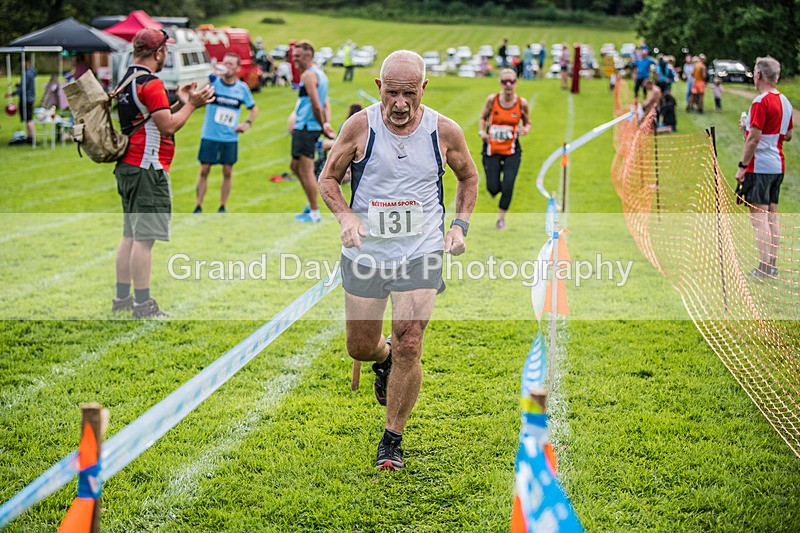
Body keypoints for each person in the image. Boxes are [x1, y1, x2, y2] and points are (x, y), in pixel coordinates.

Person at [317, 50, 478, 470]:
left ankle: (392, 438)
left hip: (420, 251)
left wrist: (459, 226)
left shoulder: (444, 131)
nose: (401, 103)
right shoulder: (360, 127)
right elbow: (328, 178)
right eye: (392, 93)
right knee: (361, 345)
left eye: (410, 93)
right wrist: (347, 218)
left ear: (424, 88)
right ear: (379, 88)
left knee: (410, 339)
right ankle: (382, 360)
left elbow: (468, 176)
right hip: (367, 254)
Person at [112, 28, 214, 318]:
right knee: (145, 239)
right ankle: (143, 305)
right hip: (148, 168)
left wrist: (181, 101)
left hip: (128, 166)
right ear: (158, 53)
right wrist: (193, 105)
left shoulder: (128, 79)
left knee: (130, 235)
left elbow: (153, 116)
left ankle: (122, 299)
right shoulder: (152, 82)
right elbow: (167, 126)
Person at [735, 56, 793, 279]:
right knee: (771, 216)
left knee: (758, 217)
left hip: (760, 166)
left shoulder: (760, 101)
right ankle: (772, 264)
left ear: (758, 75)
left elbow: (754, 138)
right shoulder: (785, 101)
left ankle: (763, 267)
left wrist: (742, 166)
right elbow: (787, 134)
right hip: (777, 165)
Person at [193, 53, 258, 214]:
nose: (227, 67)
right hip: (210, 135)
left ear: (237, 68)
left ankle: (222, 206)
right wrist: (210, 77)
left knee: (227, 171)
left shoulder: (242, 88)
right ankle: (198, 205)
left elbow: (254, 108)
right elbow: (196, 97)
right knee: (204, 170)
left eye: (231, 64)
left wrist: (246, 124)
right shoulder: (214, 83)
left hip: (229, 137)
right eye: (225, 63)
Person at [478, 69, 531, 230]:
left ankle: (501, 219)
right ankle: (496, 179)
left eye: (511, 81)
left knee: (508, 184)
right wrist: (482, 131)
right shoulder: (492, 100)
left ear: (516, 83)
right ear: (500, 83)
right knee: (493, 187)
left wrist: (526, 129)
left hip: (512, 150)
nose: (508, 85)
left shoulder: (522, 103)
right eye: (505, 81)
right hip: (492, 149)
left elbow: (528, 122)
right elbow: (483, 117)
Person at [290, 40, 336, 222]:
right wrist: (326, 123)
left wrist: (323, 125)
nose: (294, 59)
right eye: (293, 56)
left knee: (306, 170)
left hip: (306, 127)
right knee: (294, 167)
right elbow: (325, 103)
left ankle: (315, 212)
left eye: (297, 56)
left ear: (308, 56)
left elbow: (317, 105)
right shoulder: (320, 74)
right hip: (307, 127)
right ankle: (311, 205)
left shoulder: (309, 75)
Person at [5, 58, 36, 142]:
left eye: (22, 62)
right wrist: (20, 85)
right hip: (30, 97)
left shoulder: (27, 74)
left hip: (26, 98)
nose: (21, 64)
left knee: (28, 118)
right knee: (28, 118)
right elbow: (26, 85)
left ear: (27, 62)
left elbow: (23, 89)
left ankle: (31, 137)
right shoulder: (31, 72)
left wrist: (11, 94)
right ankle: (30, 136)